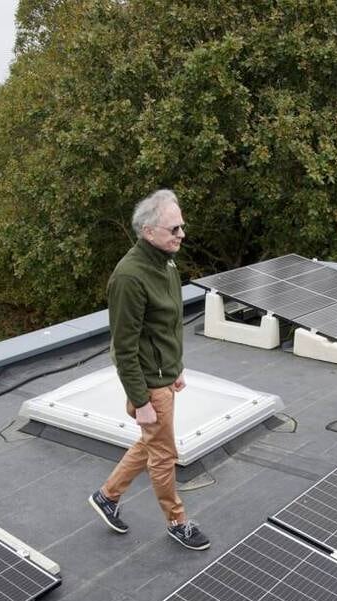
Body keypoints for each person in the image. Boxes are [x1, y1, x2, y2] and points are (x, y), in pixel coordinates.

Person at [89, 189, 211, 551]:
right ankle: (177, 521)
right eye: (173, 229)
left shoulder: (166, 262)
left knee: (151, 443)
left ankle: (107, 496)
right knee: (164, 455)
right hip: (148, 387)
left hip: (163, 377)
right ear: (148, 232)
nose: (181, 235)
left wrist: (176, 367)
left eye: (182, 227)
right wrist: (140, 400)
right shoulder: (129, 278)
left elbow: (166, 324)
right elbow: (122, 349)